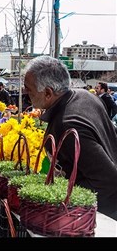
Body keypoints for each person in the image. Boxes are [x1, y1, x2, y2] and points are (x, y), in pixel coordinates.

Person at [24, 55, 117, 220]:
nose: (26, 94)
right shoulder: (85, 96)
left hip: (98, 216)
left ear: (47, 93)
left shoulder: (67, 124)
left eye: (29, 90)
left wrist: (72, 213)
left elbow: (107, 180)